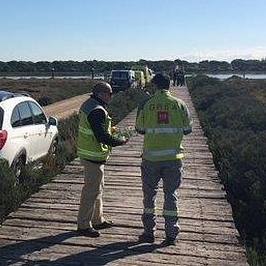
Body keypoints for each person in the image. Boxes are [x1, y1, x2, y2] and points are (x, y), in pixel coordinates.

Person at [135, 73, 192, 245]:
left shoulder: (146, 103)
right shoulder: (180, 104)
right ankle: (171, 234)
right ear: (169, 85)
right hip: (174, 158)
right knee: (171, 195)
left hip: (151, 158)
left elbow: (140, 129)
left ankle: (148, 232)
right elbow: (188, 129)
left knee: (149, 197)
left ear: (155, 85)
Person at [76, 82, 129, 238]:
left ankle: (98, 219)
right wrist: (119, 141)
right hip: (93, 155)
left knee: (97, 189)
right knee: (90, 191)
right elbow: (101, 136)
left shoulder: (89, 104)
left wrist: (111, 130)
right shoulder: (97, 110)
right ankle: (84, 225)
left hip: (92, 154)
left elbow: (96, 129)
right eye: (110, 93)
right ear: (101, 94)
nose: (111, 96)